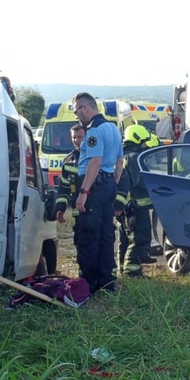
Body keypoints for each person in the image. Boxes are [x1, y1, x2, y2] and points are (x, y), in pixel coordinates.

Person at [70, 93, 124, 294]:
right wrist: (112, 183)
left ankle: (88, 283)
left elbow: (95, 161)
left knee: (89, 235)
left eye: (76, 112)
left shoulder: (94, 131)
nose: (77, 117)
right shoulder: (113, 129)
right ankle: (107, 281)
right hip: (108, 183)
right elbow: (120, 161)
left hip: (94, 185)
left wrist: (84, 191)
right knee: (106, 234)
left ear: (85, 108)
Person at [116, 125, 157, 276]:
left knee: (124, 239)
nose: (145, 145)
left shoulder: (121, 155)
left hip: (123, 206)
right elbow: (141, 181)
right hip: (136, 207)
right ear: (139, 140)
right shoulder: (134, 157)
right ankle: (132, 272)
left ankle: (122, 268)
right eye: (145, 142)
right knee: (139, 238)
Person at [55, 123, 86, 222]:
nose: (76, 140)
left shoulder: (95, 157)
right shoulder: (68, 160)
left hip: (95, 208)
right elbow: (64, 188)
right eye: (74, 137)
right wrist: (60, 209)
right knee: (79, 235)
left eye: (80, 137)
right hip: (77, 211)